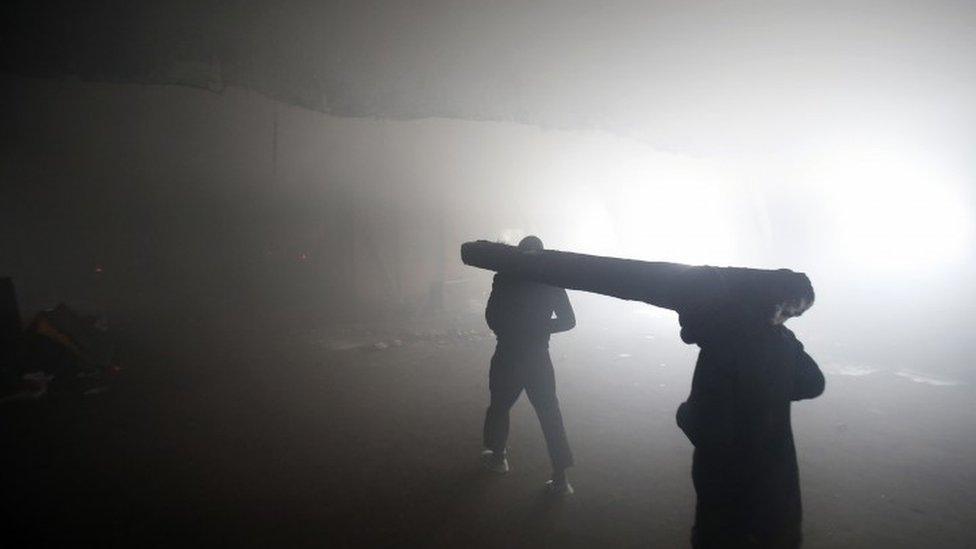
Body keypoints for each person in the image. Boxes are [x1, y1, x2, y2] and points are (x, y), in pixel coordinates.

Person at [676, 294, 825, 548]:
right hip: (774, 468)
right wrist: (776, 386)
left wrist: (683, 415)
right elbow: (813, 383)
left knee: (719, 534)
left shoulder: (719, 343)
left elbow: (699, 420)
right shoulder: (781, 341)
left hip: (720, 476)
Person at [480, 235, 577, 495]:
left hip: (508, 354)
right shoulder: (551, 281)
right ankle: (560, 479)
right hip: (538, 356)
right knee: (549, 414)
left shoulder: (504, 277)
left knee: (499, 406)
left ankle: (498, 457)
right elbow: (569, 321)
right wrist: (539, 328)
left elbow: (491, 317)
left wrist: (515, 329)